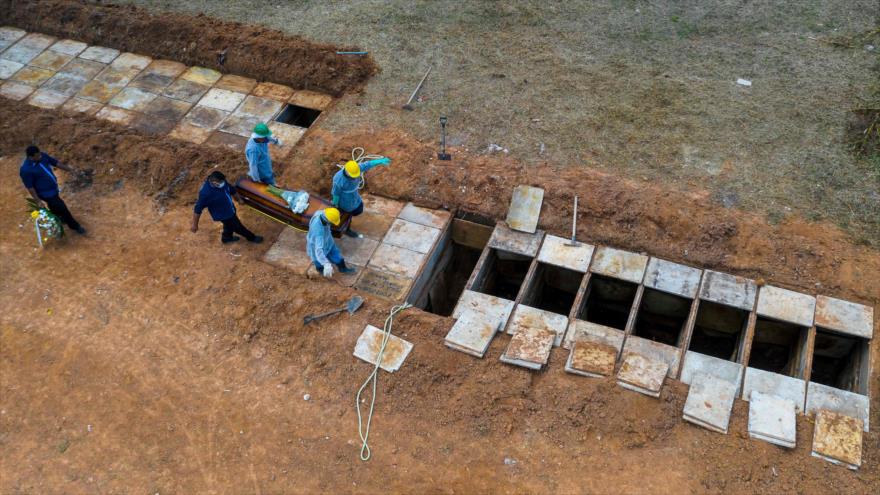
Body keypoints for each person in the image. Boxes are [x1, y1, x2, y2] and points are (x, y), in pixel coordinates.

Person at [19, 145, 86, 235]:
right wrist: (38, 201)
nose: (40, 157)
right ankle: (75, 226)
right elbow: (30, 187)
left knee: (54, 206)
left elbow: (55, 163)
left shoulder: (42, 156)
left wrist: (70, 170)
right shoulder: (26, 170)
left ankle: (59, 218)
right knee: (62, 207)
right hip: (45, 193)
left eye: (40, 154)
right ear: (31, 157)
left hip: (53, 189)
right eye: (37, 156)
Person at [191, 171, 263, 245]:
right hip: (223, 215)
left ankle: (226, 238)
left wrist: (239, 199)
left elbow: (231, 189)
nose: (223, 183)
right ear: (213, 182)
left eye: (223, 181)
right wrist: (194, 224)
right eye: (221, 182)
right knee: (238, 227)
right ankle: (251, 237)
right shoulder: (205, 193)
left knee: (229, 225)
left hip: (230, 209)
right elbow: (197, 209)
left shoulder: (221, 182)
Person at [331, 157, 391, 238]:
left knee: (358, 209)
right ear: (347, 171)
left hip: (354, 195)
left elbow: (368, 164)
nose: (354, 177)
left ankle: (348, 220)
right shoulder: (338, 179)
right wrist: (335, 205)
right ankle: (347, 229)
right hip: (345, 200)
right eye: (353, 176)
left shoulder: (357, 168)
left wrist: (380, 161)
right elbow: (336, 194)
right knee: (348, 214)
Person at [307, 207, 356, 278]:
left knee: (336, 255)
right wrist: (326, 264)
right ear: (327, 220)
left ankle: (343, 268)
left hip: (328, 241)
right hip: (317, 244)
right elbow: (318, 250)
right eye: (332, 223)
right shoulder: (318, 231)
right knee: (318, 261)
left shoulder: (322, 213)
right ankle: (320, 269)